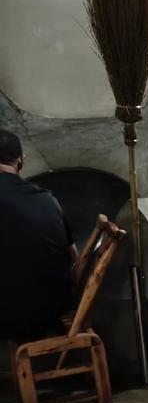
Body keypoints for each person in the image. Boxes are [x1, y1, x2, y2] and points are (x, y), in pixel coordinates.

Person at [0, 129, 76, 341]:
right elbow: (73, 256)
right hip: (55, 310)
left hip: (10, 316)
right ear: (21, 161)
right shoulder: (48, 198)